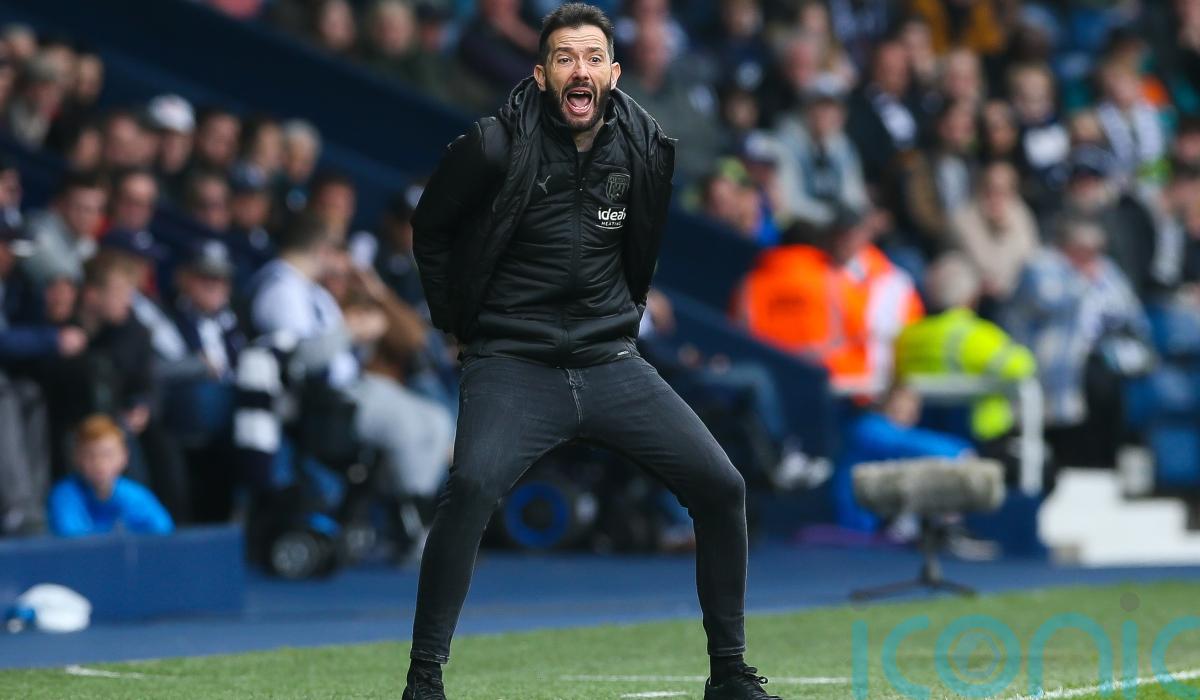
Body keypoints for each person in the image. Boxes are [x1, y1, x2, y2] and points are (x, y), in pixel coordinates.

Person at [408, 5, 775, 699]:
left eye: (593, 58)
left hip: (610, 360)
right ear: (541, 74)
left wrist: (626, 316)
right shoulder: (491, 145)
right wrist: (457, 324)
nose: (580, 70)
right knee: (472, 487)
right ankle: (423, 679)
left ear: (614, 72)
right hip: (513, 361)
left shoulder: (645, 145)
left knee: (723, 488)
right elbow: (430, 230)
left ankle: (729, 673)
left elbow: (642, 245)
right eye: (565, 58)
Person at [895, 253, 1036, 444]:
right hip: (977, 438)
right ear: (971, 296)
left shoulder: (907, 335)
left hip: (921, 435)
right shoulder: (977, 336)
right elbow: (1023, 367)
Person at [47, 413, 174, 537]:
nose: (100, 463)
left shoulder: (135, 495)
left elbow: (164, 532)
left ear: (124, 456)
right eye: (90, 456)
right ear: (77, 458)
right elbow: (71, 540)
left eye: (108, 454)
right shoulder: (65, 495)